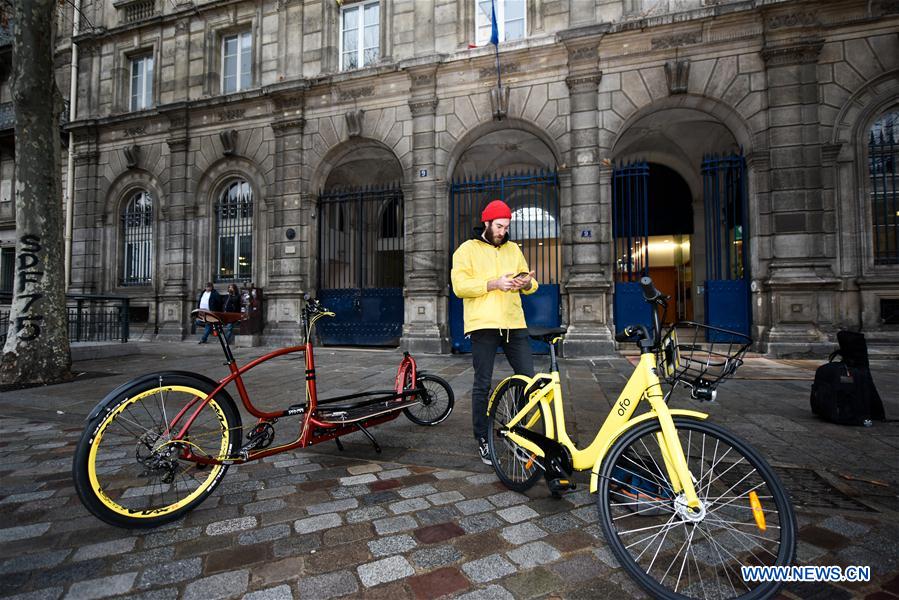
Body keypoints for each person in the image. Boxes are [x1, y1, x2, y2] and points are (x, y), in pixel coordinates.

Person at [451, 199, 538, 465]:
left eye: (507, 226)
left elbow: (532, 285)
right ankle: (483, 438)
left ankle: (516, 432)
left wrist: (525, 283)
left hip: (514, 322)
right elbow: (459, 287)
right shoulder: (466, 250)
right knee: (483, 383)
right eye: (499, 226)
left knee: (528, 380)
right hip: (483, 324)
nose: (503, 231)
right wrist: (493, 283)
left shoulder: (513, 249)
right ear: (486, 223)